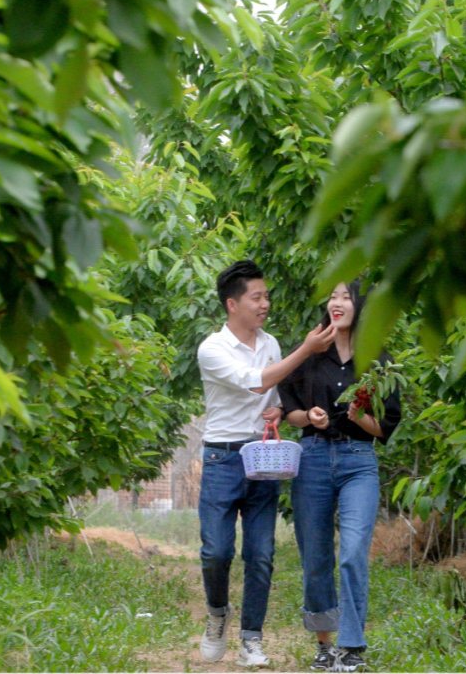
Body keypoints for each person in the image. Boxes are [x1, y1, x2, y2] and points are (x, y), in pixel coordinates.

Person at [197, 260, 337, 668]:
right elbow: (257, 381)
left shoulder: (271, 343)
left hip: (262, 456)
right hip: (222, 457)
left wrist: (278, 411)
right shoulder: (213, 348)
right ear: (232, 304)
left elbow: (270, 395)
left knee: (260, 554)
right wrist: (308, 349)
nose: (265, 304)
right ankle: (217, 614)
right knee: (216, 551)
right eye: (257, 297)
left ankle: (251, 639)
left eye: (266, 296)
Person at [279, 281, 401, 673]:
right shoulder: (310, 352)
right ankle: (323, 644)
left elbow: (385, 427)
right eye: (332, 297)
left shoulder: (379, 360)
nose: (336, 303)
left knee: (351, 555)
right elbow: (290, 410)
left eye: (345, 296)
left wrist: (360, 418)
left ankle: (352, 647)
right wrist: (309, 417)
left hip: (358, 461)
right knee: (315, 556)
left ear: (360, 305)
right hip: (312, 458)